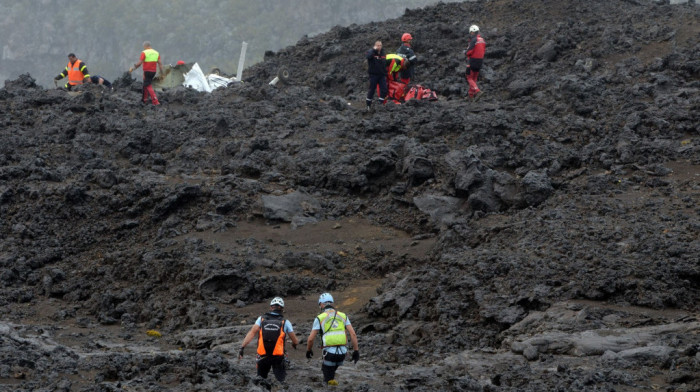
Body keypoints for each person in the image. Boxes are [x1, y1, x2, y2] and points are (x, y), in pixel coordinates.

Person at [239, 297, 299, 385]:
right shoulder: (285, 322)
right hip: (278, 358)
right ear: (282, 309)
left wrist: (242, 347)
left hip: (263, 356)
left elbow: (251, 333)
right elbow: (296, 341)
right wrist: (294, 344)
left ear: (271, 307)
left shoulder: (261, 319)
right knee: (281, 383)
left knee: (260, 382)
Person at [306, 293, 359, 387]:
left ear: (321, 304)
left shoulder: (320, 318)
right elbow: (353, 334)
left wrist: (309, 350)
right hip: (342, 354)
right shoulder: (343, 316)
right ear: (332, 303)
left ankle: (330, 384)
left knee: (327, 377)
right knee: (332, 374)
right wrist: (356, 351)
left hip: (329, 353)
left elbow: (310, 339)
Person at [129, 41, 164, 105]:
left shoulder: (144, 52)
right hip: (153, 72)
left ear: (145, 46)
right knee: (145, 84)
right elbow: (160, 64)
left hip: (147, 71)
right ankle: (144, 100)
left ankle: (155, 101)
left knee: (148, 85)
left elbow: (140, 63)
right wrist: (162, 73)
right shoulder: (156, 53)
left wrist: (133, 68)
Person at [465, 25, 486, 101]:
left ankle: (477, 91)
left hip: (473, 60)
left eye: (471, 32)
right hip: (480, 61)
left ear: (473, 32)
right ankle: (471, 95)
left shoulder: (474, 40)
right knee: (474, 78)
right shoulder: (482, 40)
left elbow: (469, 51)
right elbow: (483, 50)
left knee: (469, 77)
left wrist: (466, 53)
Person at [366, 40, 388, 112]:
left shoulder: (383, 53)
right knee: (372, 90)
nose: (379, 47)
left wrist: (385, 73)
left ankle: (380, 104)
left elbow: (385, 63)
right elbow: (368, 57)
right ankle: (368, 105)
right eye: (378, 45)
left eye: (380, 45)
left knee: (384, 89)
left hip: (381, 75)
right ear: (375, 46)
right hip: (373, 75)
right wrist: (373, 50)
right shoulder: (371, 52)